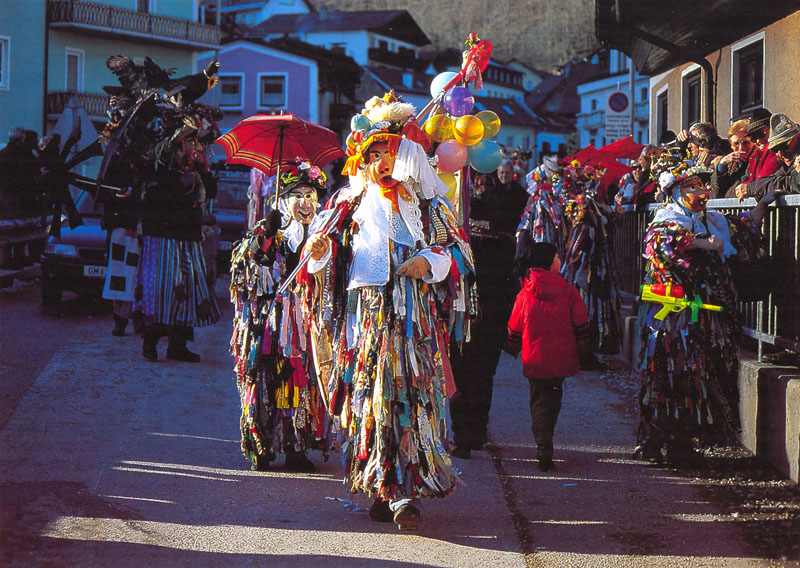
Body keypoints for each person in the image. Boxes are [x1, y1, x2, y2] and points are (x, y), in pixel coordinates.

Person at [301, 92, 476, 531]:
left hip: (409, 320)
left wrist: (430, 263)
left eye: (390, 153)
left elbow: (460, 253)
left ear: (407, 158)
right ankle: (384, 482)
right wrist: (320, 252)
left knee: (408, 395)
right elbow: (321, 259)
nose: (382, 162)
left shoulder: (427, 205)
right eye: (374, 154)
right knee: (371, 400)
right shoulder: (348, 204)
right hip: (364, 321)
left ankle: (404, 492)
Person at [633, 165, 777, 465]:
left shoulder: (713, 220)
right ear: (675, 192)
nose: (701, 193)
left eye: (702, 186)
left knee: (694, 376)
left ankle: (680, 445)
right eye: (692, 187)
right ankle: (654, 442)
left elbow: (742, 228)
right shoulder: (667, 219)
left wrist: (762, 205)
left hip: (704, 318)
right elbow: (660, 244)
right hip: (672, 319)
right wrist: (700, 242)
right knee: (668, 373)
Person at [229, 161, 329, 472]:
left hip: (304, 320)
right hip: (268, 321)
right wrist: (268, 234)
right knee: (263, 380)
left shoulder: (321, 233)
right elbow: (247, 265)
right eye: (296, 194)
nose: (304, 202)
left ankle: (296, 446)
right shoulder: (268, 229)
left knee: (301, 381)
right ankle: (261, 445)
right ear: (283, 199)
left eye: (310, 194)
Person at [448, 158, 528, 459]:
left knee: (471, 374)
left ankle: (468, 435)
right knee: (479, 375)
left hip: (476, 313)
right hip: (480, 312)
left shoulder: (486, 240)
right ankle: (472, 432)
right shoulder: (502, 237)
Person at [135, 128, 221, 362]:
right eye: (191, 143)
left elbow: (211, 192)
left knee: (188, 292)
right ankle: (150, 343)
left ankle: (178, 346)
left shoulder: (192, 172)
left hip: (187, 239)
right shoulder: (160, 173)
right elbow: (170, 196)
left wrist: (203, 169)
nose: (198, 149)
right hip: (163, 240)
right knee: (161, 292)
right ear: (177, 148)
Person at [504, 242, 590, 472]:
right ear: (550, 262)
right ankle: (546, 441)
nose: (560, 261)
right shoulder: (569, 292)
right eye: (557, 257)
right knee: (553, 400)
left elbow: (514, 327)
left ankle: (543, 443)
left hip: (535, 360)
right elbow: (581, 325)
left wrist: (511, 347)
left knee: (539, 402)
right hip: (561, 360)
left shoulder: (524, 294)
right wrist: (584, 352)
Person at [100, 160, 143, 336]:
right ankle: (120, 318)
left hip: (136, 230)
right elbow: (105, 194)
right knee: (119, 274)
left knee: (136, 274)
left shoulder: (146, 170)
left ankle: (136, 317)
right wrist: (120, 194)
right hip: (120, 229)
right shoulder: (115, 167)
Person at [736, 113, 800, 201]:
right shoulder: (785, 163)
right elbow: (771, 180)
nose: (780, 154)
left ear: (797, 137)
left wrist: (752, 189)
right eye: (775, 149)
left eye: (784, 146)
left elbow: (791, 183)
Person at [732, 108, 781, 200]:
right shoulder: (755, 155)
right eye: (753, 137)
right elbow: (749, 180)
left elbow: (763, 179)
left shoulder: (776, 151)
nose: (758, 141)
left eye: (761, 134)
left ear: (772, 129)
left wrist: (749, 188)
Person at [710, 120, 754, 199]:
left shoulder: (757, 159)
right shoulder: (729, 162)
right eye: (736, 144)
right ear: (731, 145)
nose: (741, 148)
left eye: (745, 143)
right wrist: (721, 166)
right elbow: (716, 193)